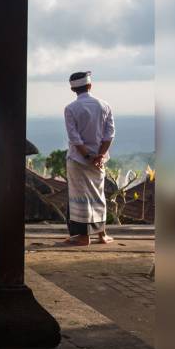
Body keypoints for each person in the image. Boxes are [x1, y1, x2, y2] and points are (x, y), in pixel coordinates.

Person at [62, 71, 116, 246]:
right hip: (98, 161)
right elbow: (109, 135)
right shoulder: (104, 105)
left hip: (78, 159)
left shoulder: (70, 108)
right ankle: (102, 235)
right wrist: (99, 156)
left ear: (72, 89)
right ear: (90, 86)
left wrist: (87, 156)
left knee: (79, 197)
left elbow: (74, 138)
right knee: (98, 195)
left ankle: (83, 236)